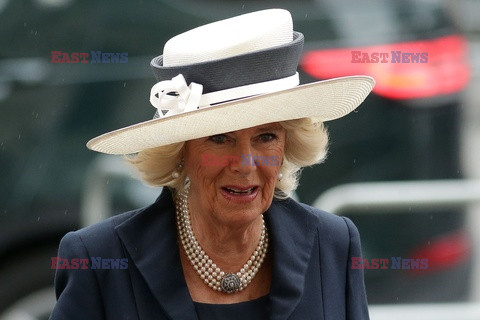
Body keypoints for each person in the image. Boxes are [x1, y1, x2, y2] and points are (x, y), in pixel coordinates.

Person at [50, 8, 374, 320]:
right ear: (180, 151)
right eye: (220, 139)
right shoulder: (99, 259)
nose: (245, 164)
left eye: (266, 137)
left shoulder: (333, 244)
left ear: (288, 145)